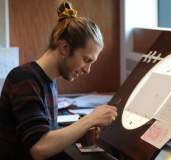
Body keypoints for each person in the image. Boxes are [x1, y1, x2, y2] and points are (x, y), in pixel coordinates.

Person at [0, 1, 118, 160]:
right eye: (86, 59)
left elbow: (46, 134)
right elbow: (39, 147)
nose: (87, 69)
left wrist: (79, 133)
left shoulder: (47, 81)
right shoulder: (24, 79)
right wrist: (90, 120)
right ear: (65, 48)